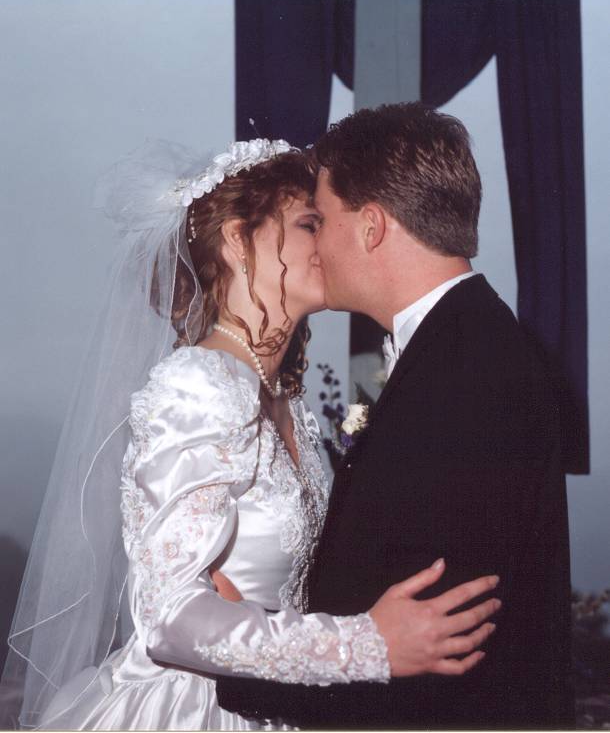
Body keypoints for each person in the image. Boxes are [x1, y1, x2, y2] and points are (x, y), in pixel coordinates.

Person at [1, 138, 500, 731]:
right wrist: (366, 644)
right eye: (309, 224)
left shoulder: (283, 397)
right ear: (239, 240)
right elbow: (167, 618)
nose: (328, 242)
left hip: (278, 703)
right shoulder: (198, 384)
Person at [216, 104, 574, 729]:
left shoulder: (468, 375)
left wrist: (227, 649)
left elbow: (429, 650)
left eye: (320, 219)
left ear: (371, 227)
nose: (315, 243)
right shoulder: (462, 345)